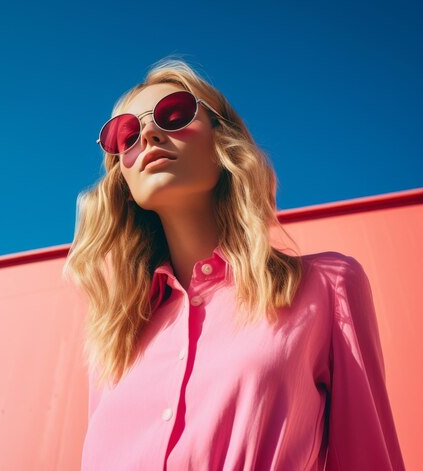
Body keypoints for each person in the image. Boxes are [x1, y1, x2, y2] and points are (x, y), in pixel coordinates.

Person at [62, 57, 405, 470]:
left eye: (174, 114)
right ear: (122, 175)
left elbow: (369, 457)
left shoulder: (327, 286)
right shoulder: (114, 337)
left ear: (223, 141)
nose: (149, 133)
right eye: (126, 134)